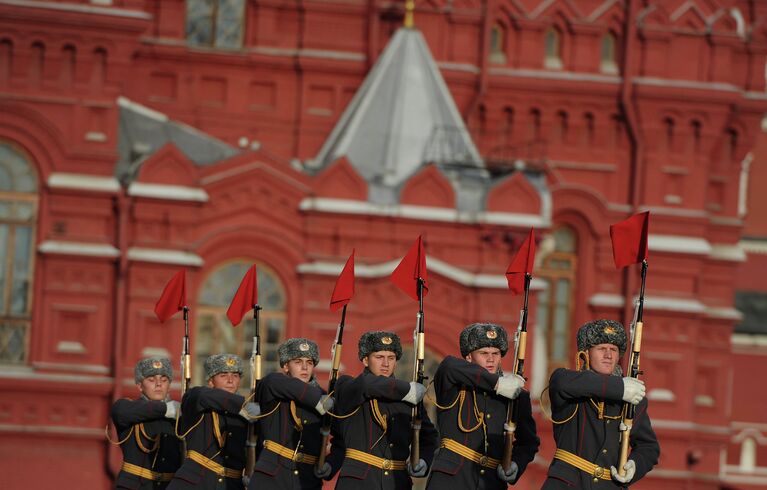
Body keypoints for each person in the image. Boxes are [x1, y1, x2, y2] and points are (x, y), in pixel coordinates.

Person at [542, 319, 660, 488]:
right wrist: (620, 388)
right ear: (586, 353)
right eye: (601, 349)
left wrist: (634, 466)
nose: (609, 355)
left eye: (613, 350)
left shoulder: (633, 400)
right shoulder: (568, 383)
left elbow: (649, 447)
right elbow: (560, 382)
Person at [426, 322, 539, 489]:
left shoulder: (516, 395)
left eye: (496, 353)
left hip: (491, 483)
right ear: (469, 357)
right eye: (484, 353)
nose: (491, 359)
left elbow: (529, 442)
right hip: (451, 480)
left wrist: (515, 463)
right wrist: (497, 384)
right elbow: (448, 365)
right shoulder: (454, 383)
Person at [332, 331, 438, 489]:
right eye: (379, 357)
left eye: (391, 358)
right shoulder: (349, 386)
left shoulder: (409, 399)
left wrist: (423, 459)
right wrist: (406, 389)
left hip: (396, 482)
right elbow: (366, 384)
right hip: (359, 483)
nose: (386, 364)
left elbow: (429, 436)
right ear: (365, 360)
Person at [248, 337, 340, 489]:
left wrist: (331, 463)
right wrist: (319, 399)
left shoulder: (325, 398)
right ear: (285, 366)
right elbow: (280, 384)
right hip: (271, 478)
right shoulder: (274, 384)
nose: (305, 367)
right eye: (298, 362)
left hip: (306, 480)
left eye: (309, 363)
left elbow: (342, 438)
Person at [167, 354, 260, 490]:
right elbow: (199, 395)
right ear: (210, 381)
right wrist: (242, 406)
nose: (230, 380)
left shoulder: (244, 415)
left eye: (235, 375)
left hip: (231, 484)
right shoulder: (197, 398)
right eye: (223, 375)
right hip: (195, 483)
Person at [110, 357, 182, 489]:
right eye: (151, 380)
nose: (159, 384)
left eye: (164, 380)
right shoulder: (127, 408)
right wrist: (165, 409)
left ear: (169, 385)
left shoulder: (178, 417)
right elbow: (121, 413)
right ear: (139, 386)